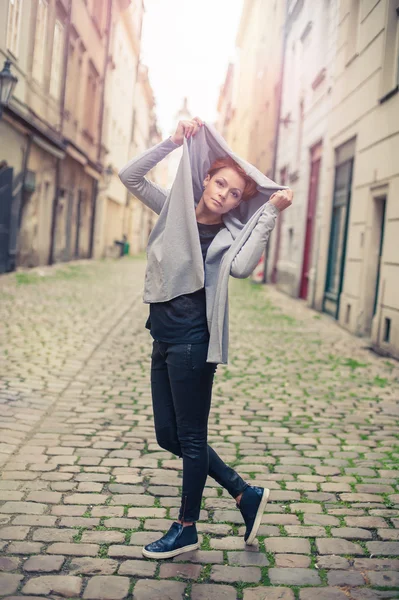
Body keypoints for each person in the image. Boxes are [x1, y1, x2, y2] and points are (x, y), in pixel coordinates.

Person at [119, 117, 293, 560]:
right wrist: (172, 143)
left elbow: (241, 267)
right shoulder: (172, 210)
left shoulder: (231, 233)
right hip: (162, 336)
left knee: (191, 437)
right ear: (206, 178)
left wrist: (269, 212)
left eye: (235, 193)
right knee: (167, 435)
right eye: (220, 183)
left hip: (195, 342)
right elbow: (130, 176)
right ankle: (244, 494)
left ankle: (186, 527)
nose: (225, 195)